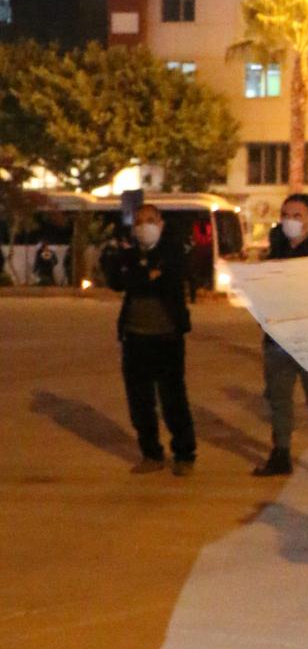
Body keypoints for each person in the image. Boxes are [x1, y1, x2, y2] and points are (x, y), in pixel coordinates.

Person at [103, 204, 196, 475]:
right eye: (139, 221)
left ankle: (184, 454)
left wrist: (138, 276)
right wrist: (147, 274)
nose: (145, 226)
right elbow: (117, 282)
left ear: (161, 224)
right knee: (140, 401)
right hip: (134, 337)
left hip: (167, 337)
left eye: (150, 220)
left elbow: (169, 281)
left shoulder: (173, 252)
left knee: (173, 399)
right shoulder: (129, 254)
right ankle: (151, 454)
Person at [253, 194, 308, 479]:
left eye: (297, 215)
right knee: (279, 402)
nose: (290, 221)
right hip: (277, 342)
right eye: (286, 215)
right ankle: (281, 455)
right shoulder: (274, 254)